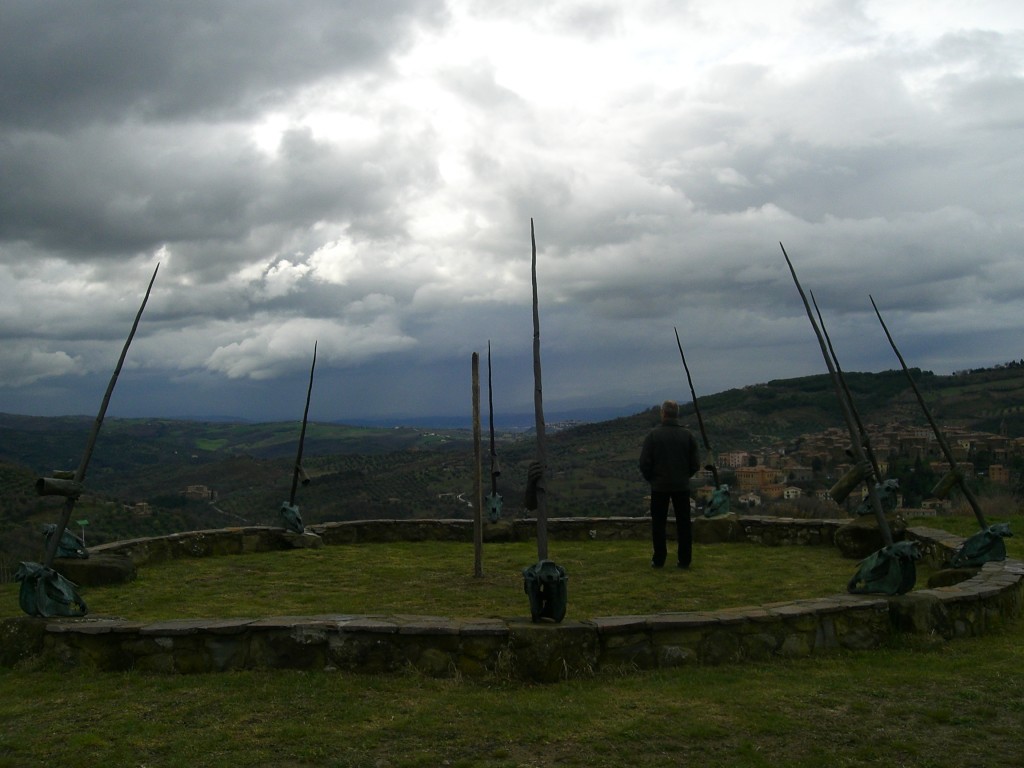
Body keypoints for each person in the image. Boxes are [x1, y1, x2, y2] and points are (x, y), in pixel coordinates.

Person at [639, 400, 701, 569]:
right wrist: (684, 476)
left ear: (663, 414)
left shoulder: (653, 435)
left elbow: (644, 463)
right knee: (684, 523)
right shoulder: (687, 435)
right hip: (681, 486)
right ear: (677, 414)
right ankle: (684, 560)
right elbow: (695, 464)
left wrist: (652, 478)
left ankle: (659, 559)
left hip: (659, 487)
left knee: (658, 524)